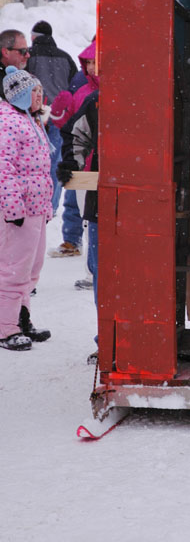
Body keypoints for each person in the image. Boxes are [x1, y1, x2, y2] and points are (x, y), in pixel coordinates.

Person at [0, 67, 52, 351]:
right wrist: (12, 208)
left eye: (40, 92)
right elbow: (3, 168)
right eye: (34, 92)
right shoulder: (8, 122)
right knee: (13, 270)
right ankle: (5, 328)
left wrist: (45, 207)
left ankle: (22, 320)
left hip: (35, 207)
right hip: (17, 210)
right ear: (19, 95)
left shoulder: (30, 120)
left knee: (31, 270)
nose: (39, 97)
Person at [57, 90, 99, 360]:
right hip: (102, 202)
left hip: (152, 204)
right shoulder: (97, 100)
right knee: (103, 273)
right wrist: (72, 163)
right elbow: (74, 135)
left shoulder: (162, 92)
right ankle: (107, 339)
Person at [48, 40, 99, 260]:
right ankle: (86, 259)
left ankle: (95, 267)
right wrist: (59, 115)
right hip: (82, 167)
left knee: (100, 219)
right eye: (87, 63)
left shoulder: (115, 93)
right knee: (85, 216)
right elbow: (70, 128)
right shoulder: (82, 91)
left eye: (95, 62)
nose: (90, 68)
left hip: (105, 168)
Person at [26, 20, 78, 214]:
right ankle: (51, 205)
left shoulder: (29, 56)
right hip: (58, 116)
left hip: (35, 116)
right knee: (55, 162)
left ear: (34, 37)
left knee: (33, 162)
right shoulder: (65, 57)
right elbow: (74, 86)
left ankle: (35, 204)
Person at [0, 28, 31, 98]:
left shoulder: (24, 73)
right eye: (23, 51)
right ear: (6, 52)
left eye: (28, 50)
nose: (28, 55)